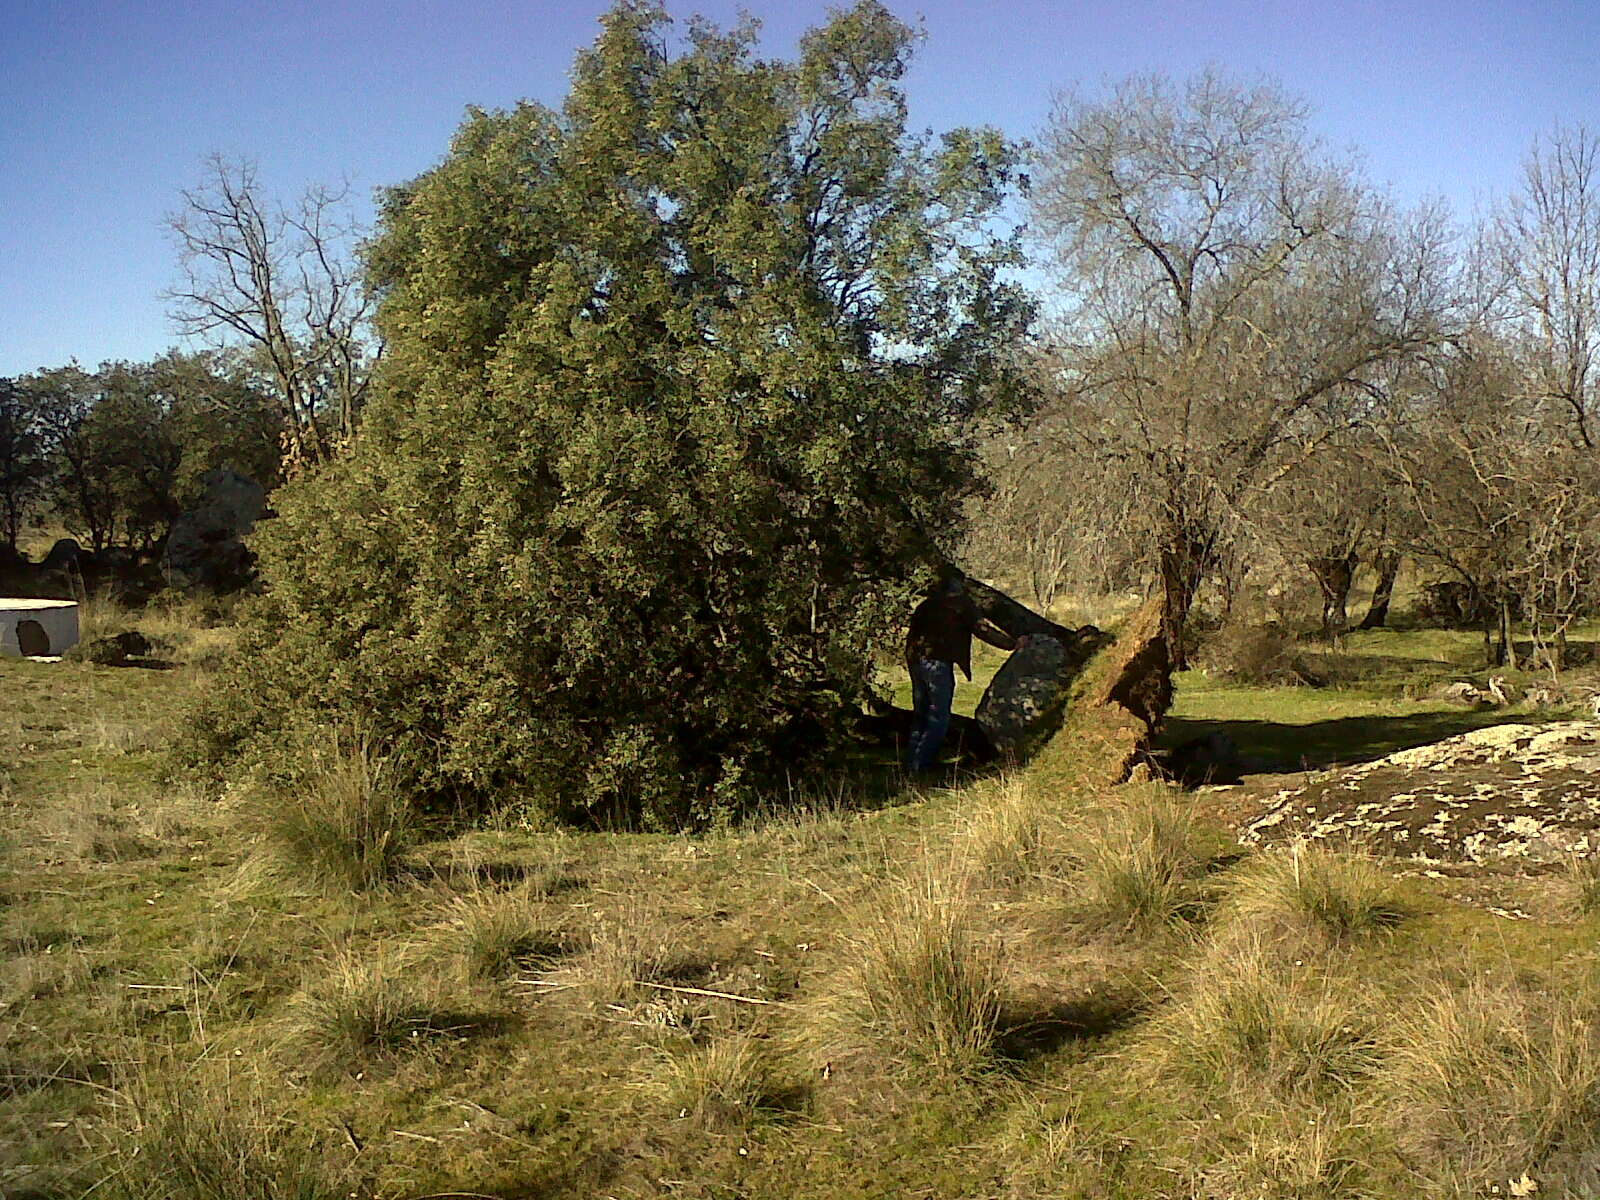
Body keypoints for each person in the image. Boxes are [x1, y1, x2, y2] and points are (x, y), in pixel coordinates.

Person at [904, 568, 1028, 773]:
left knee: (921, 714)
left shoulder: (926, 606)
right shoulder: (961, 605)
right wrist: (1012, 644)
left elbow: (912, 637)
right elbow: (983, 630)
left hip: (916, 661)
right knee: (939, 715)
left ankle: (912, 764)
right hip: (937, 663)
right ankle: (922, 765)